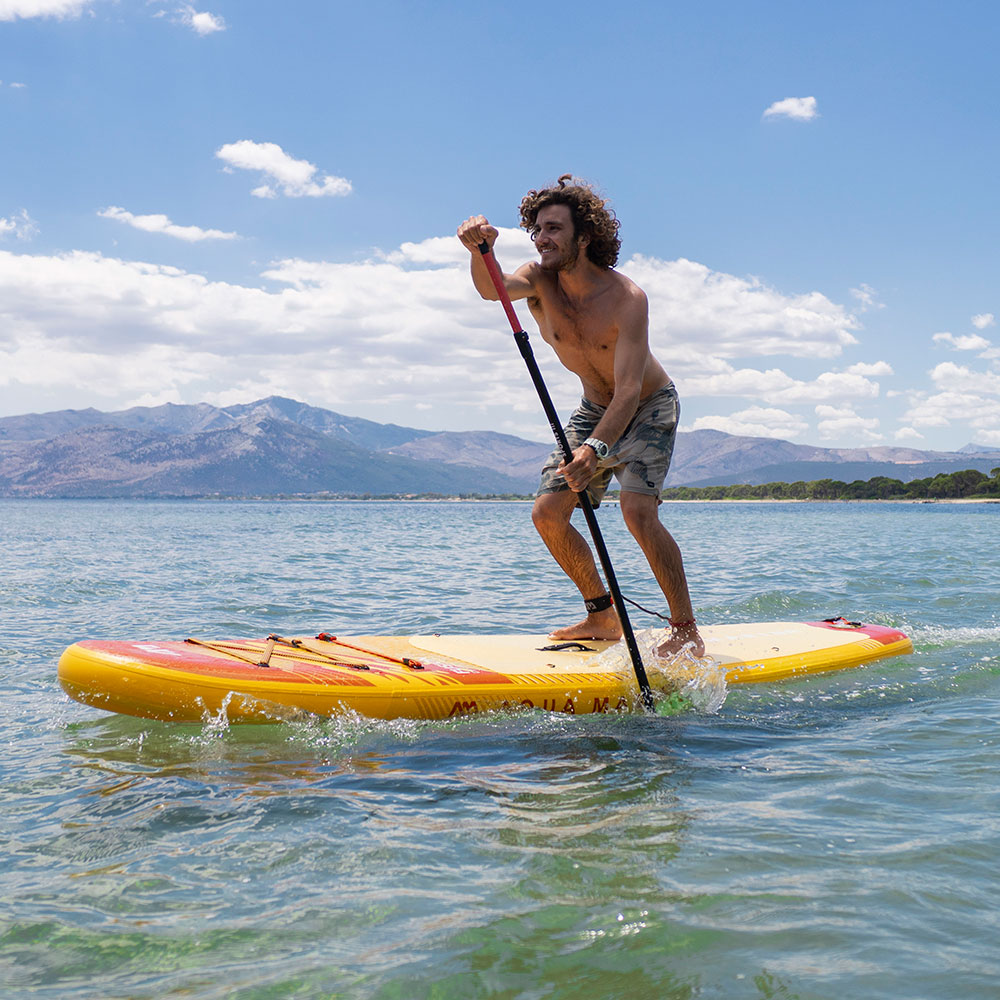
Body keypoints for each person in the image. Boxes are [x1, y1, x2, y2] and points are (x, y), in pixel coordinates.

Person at [457, 175, 704, 659]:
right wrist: (477, 250)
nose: (542, 239)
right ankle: (602, 615)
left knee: (637, 512)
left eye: (553, 228)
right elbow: (494, 291)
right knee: (547, 513)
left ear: (584, 236)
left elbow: (630, 389)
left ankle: (686, 628)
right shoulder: (537, 279)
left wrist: (596, 450)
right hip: (595, 408)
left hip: (648, 406)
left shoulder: (627, 298)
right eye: (537, 230)